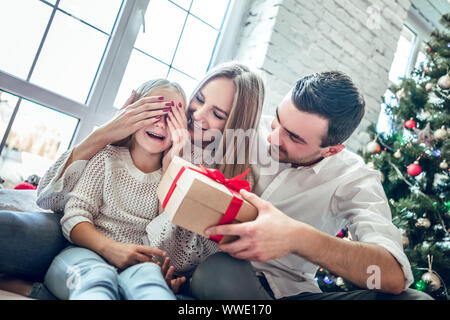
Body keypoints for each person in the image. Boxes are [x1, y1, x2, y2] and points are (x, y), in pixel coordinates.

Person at [0, 62, 265, 299]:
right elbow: (49, 199)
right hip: (87, 244)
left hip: (146, 264)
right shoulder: (111, 157)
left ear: (235, 125)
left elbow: (175, 255)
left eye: (217, 114)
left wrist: (172, 169)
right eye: (198, 99)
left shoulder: (225, 182)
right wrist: (104, 133)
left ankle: (31, 289)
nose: (196, 115)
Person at [189, 71, 433, 300]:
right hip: (222, 274)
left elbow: (391, 276)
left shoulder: (352, 177)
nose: (272, 138)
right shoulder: (247, 128)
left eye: (294, 137)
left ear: (332, 150)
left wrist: (297, 237)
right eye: (278, 119)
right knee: (218, 272)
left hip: (293, 292)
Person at [42, 78, 188, 300]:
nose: (160, 124)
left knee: (154, 291)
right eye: (152, 112)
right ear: (131, 112)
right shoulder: (106, 158)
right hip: (86, 254)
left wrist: (172, 167)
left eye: (171, 118)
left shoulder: (173, 179)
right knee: (96, 282)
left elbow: (163, 242)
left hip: (140, 267)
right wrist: (110, 248)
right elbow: (74, 216)